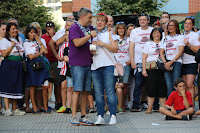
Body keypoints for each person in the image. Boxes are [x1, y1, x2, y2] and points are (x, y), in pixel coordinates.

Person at [69, 7, 97, 126]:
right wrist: (90, 36)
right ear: (82, 17)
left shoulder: (89, 28)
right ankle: (74, 116)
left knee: (85, 91)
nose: (91, 20)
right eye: (89, 17)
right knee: (77, 90)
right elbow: (77, 43)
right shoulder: (74, 28)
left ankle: (83, 116)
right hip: (77, 64)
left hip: (87, 62)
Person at [91, 13, 118, 125]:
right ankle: (100, 116)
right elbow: (92, 51)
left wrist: (102, 44)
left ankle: (113, 115)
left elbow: (115, 48)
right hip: (95, 66)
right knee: (98, 93)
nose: (100, 23)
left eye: (102, 21)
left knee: (110, 92)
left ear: (106, 23)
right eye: (98, 20)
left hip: (108, 66)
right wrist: (92, 49)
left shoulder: (110, 33)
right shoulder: (92, 34)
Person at [0, 22, 26, 116]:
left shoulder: (19, 39)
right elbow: (4, 54)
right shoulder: (5, 41)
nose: (15, 30)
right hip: (8, 65)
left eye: (16, 28)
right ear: (8, 30)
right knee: (7, 86)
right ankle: (7, 109)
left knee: (16, 86)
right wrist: (11, 45)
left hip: (18, 65)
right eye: (13, 29)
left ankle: (15, 109)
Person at [129, 13, 153, 112]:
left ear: (148, 21)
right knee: (138, 84)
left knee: (151, 84)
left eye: (144, 20)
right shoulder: (134, 31)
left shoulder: (152, 30)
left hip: (151, 61)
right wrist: (132, 61)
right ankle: (135, 105)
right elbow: (131, 47)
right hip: (138, 62)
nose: (142, 21)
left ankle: (153, 105)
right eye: (140, 20)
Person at [23, 25, 49, 113]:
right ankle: (34, 106)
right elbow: (30, 57)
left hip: (41, 64)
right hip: (32, 65)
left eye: (34, 32)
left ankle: (43, 106)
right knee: (33, 85)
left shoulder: (40, 41)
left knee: (41, 85)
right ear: (27, 33)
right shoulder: (26, 43)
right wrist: (40, 52)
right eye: (31, 32)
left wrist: (38, 41)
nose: (33, 34)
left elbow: (45, 51)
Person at [142, 28, 167, 114]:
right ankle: (149, 108)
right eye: (154, 33)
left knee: (162, 88)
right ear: (152, 34)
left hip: (161, 69)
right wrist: (144, 70)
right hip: (151, 68)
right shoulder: (148, 44)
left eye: (158, 33)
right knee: (151, 88)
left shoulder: (163, 42)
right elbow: (144, 57)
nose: (156, 35)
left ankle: (163, 108)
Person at [160, 19, 184, 97]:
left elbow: (181, 51)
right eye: (169, 25)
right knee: (169, 86)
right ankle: (170, 106)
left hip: (176, 62)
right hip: (167, 63)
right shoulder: (165, 38)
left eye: (172, 25)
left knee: (176, 85)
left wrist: (171, 62)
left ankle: (177, 106)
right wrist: (165, 63)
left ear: (176, 27)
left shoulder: (181, 37)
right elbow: (161, 52)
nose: (170, 27)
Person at [41, 21, 62, 110]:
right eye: (48, 29)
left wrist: (53, 35)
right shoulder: (43, 37)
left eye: (52, 28)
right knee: (46, 83)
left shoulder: (57, 35)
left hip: (56, 61)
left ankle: (58, 102)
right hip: (47, 61)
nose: (50, 30)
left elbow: (57, 47)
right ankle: (44, 103)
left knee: (57, 83)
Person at [54, 20, 74, 113]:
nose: (67, 37)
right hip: (64, 68)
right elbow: (61, 58)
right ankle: (64, 105)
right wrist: (63, 58)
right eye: (66, 35)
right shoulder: (63, 46)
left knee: (72, 87)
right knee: (63, 86)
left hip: (73, 68)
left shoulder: (75, 44)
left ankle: (73, 105)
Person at [182, 16, 200, 104]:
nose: (187, 25)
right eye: (185, 23)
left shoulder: (194, 35)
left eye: (189, 23)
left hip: (191, 62)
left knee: (190, 85)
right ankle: (186, 105)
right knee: (184, 86)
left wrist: (188, 45)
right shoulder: (181, 34)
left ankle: (191, 106)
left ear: (192, 26)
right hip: (181, 62)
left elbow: (197, 50)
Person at [114, 22, 131, 113]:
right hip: (116, 64)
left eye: (122, 28)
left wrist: (131, 61)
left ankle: (123, 105)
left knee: (124, 85)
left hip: (126, 64)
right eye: (119, 28)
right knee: (117, 86)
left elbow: (133, 51)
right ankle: (116, 105)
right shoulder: (114, 39)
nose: (121, 30)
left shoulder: (128, 40)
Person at [0, 22, 6, 114]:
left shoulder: (8, 41)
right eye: (3, 29)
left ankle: (5, 107)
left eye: (6, 29)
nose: (5, 31)